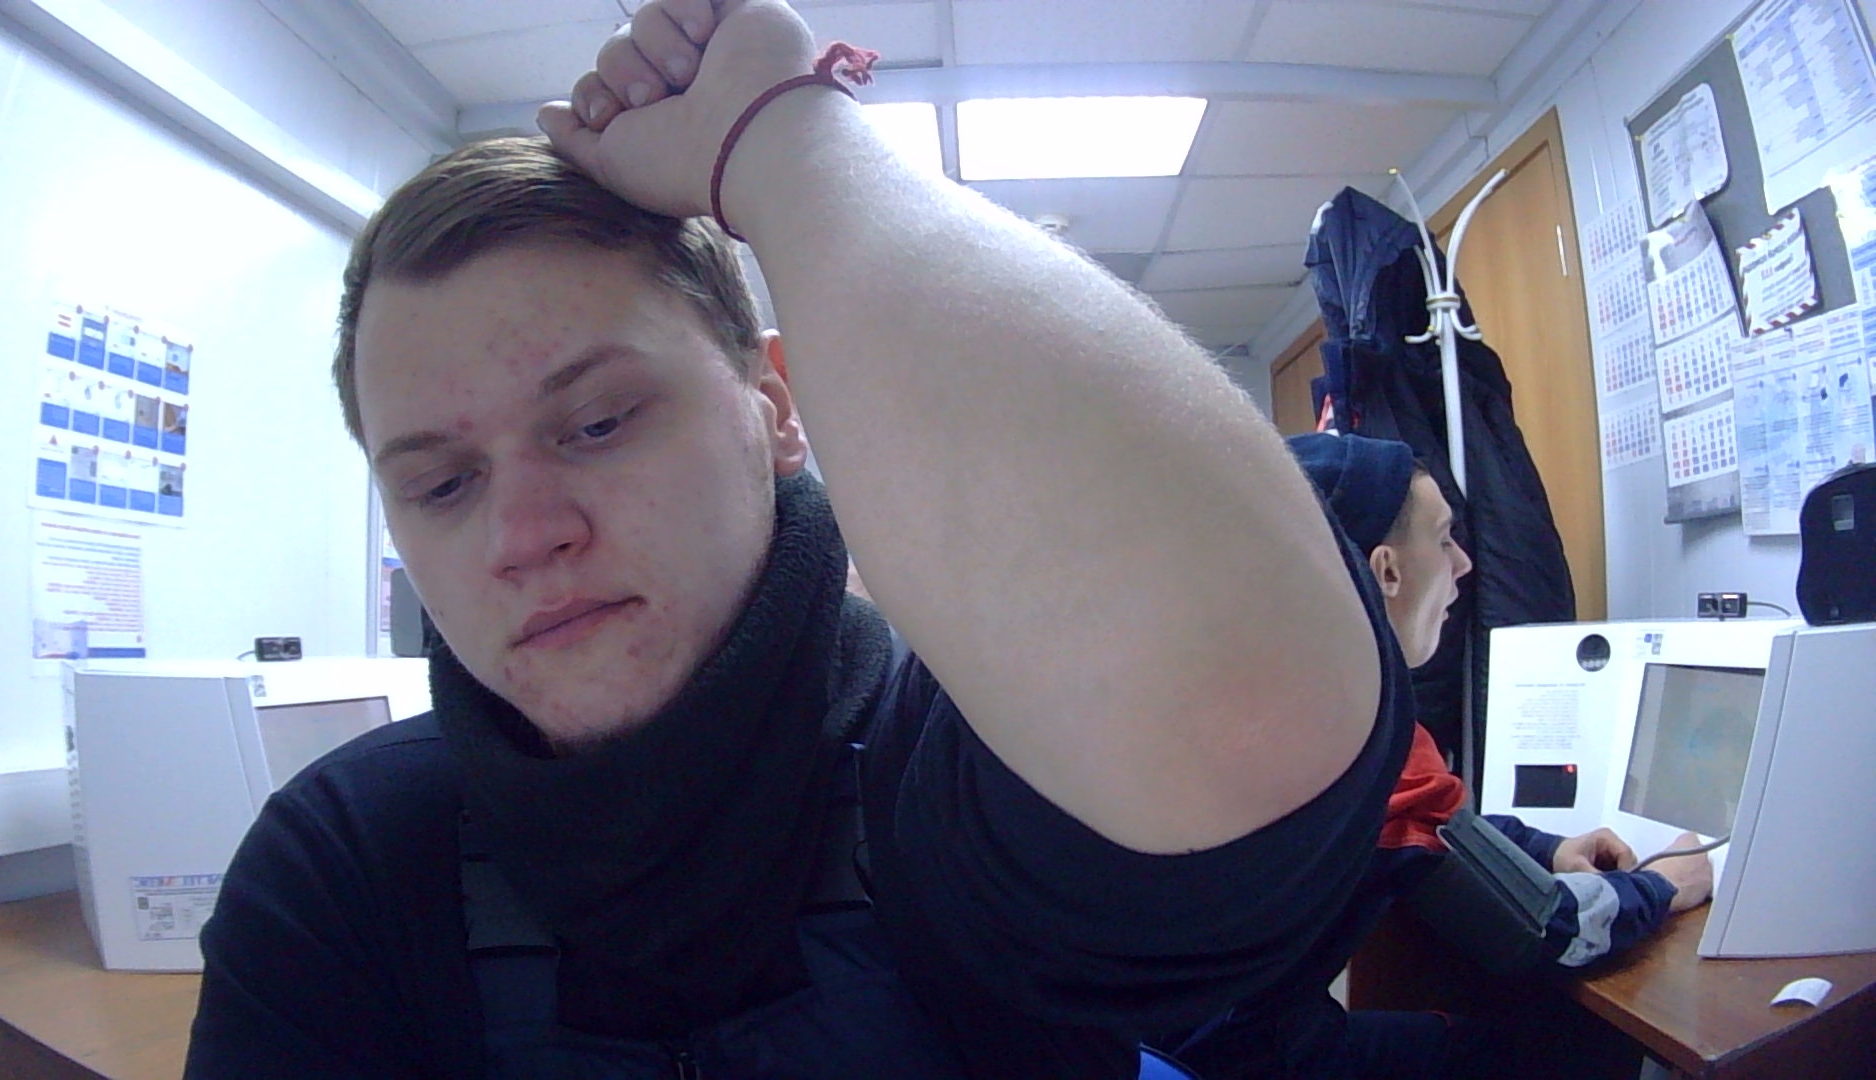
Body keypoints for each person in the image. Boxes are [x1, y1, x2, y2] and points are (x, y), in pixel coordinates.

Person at [185, 2, 1413, 1077]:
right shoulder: (345, 864)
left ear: (776, 409)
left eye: (599, 423)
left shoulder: (964, 769)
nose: (522, 535)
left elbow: (1243, 714)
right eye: (442, 483)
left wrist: (779, 137)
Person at [1165, 432, 1712, 1080]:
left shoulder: (1248, 696)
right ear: (1387, 571)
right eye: (1445, 537)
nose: (1464, 564)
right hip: (1247, 1060)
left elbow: (1439, 838)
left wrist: (1546, 850)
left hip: (1175, 1042)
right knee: (1571, 1043)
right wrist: (1662, 886)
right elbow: (1548, 932)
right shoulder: (1355, 742)